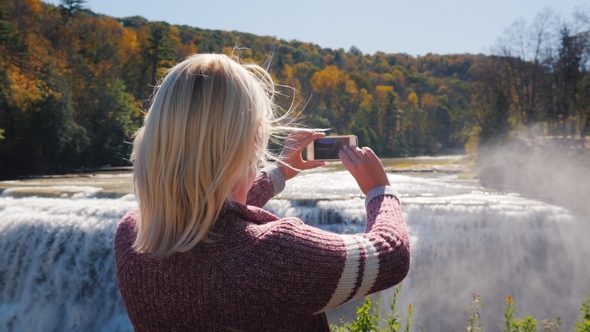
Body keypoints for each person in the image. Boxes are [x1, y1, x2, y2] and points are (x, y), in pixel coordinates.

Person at [114, 53, 410, 332]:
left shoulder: (133, 235)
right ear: (253, 140)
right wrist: (379, 190)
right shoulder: (274, 257)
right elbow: (390, 255)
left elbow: (210, 215)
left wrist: (280, 173)